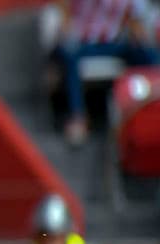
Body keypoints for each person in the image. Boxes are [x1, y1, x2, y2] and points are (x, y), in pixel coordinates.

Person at [47, 0, 160, 145]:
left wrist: (138, 35)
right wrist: (65, 25)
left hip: (113, 44)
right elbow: (61, 7)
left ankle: (151, 110)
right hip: (82, 44)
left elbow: (135, 19)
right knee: (70, 55)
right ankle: (78, 117)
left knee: (148, 54)